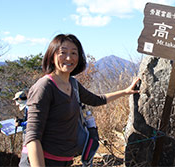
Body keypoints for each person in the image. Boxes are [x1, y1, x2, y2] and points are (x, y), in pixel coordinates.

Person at [19, 33, 140, 167]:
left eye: (74, 53)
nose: (69, 58)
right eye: (62, 53)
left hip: (63, 160)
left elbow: (97, 99)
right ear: (52, 56)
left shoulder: (72, 84)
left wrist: (126, 91)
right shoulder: (44, 87)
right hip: (41, 161)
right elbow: (32, 137)